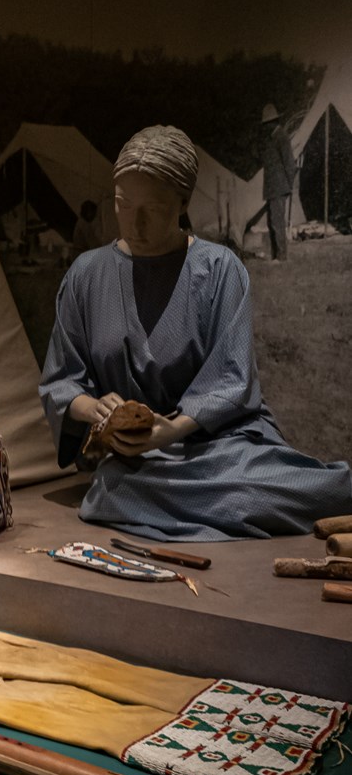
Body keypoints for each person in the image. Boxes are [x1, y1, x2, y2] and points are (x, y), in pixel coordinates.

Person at [38, 124, 351, 541]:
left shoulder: (219, 270)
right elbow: (61, 380)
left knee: (280, 488)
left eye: (154, 207)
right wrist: (92, 409)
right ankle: (200, 505)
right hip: (135, 461)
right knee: (111, 490)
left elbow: (232, 378)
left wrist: (174, 428)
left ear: (183, 202)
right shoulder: (87, 275)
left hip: (219, 446)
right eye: (123, 204)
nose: (136, 222)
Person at [260, 103, 296, 261]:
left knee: (277, 222)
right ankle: (276, 255)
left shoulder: (281, 136)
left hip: (279, 188)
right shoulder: (272, 138)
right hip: (272, 189)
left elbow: (290, 163)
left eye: (268, 123)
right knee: (272, 222)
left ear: (274, 122)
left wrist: (288, 186)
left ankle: (281, 257)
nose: (266, 127)